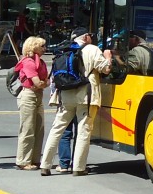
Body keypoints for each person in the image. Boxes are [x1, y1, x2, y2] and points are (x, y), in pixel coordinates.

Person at [39, 27, 112, 177]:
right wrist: (108, 56)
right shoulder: (92, 49)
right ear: (85, 37)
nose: (91, 38)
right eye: (90, 35)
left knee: (57, 129)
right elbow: (105, 69)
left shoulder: (65, 49)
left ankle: (45, 165)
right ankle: (78, 167)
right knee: (83, 131)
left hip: (65, 95)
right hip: (85, 96)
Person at [13, 36, 49, 170]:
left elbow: (45, 82)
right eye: (42, 46)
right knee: (27, 128)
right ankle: (23, 161)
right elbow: (37, 82)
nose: (45, 49)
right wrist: (41, 84)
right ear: (33, 47)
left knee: (39, 129)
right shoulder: (28, 62)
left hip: (38, 94)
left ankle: (35, 159)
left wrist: (41, 84)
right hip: (28, 94)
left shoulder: (41, 62)